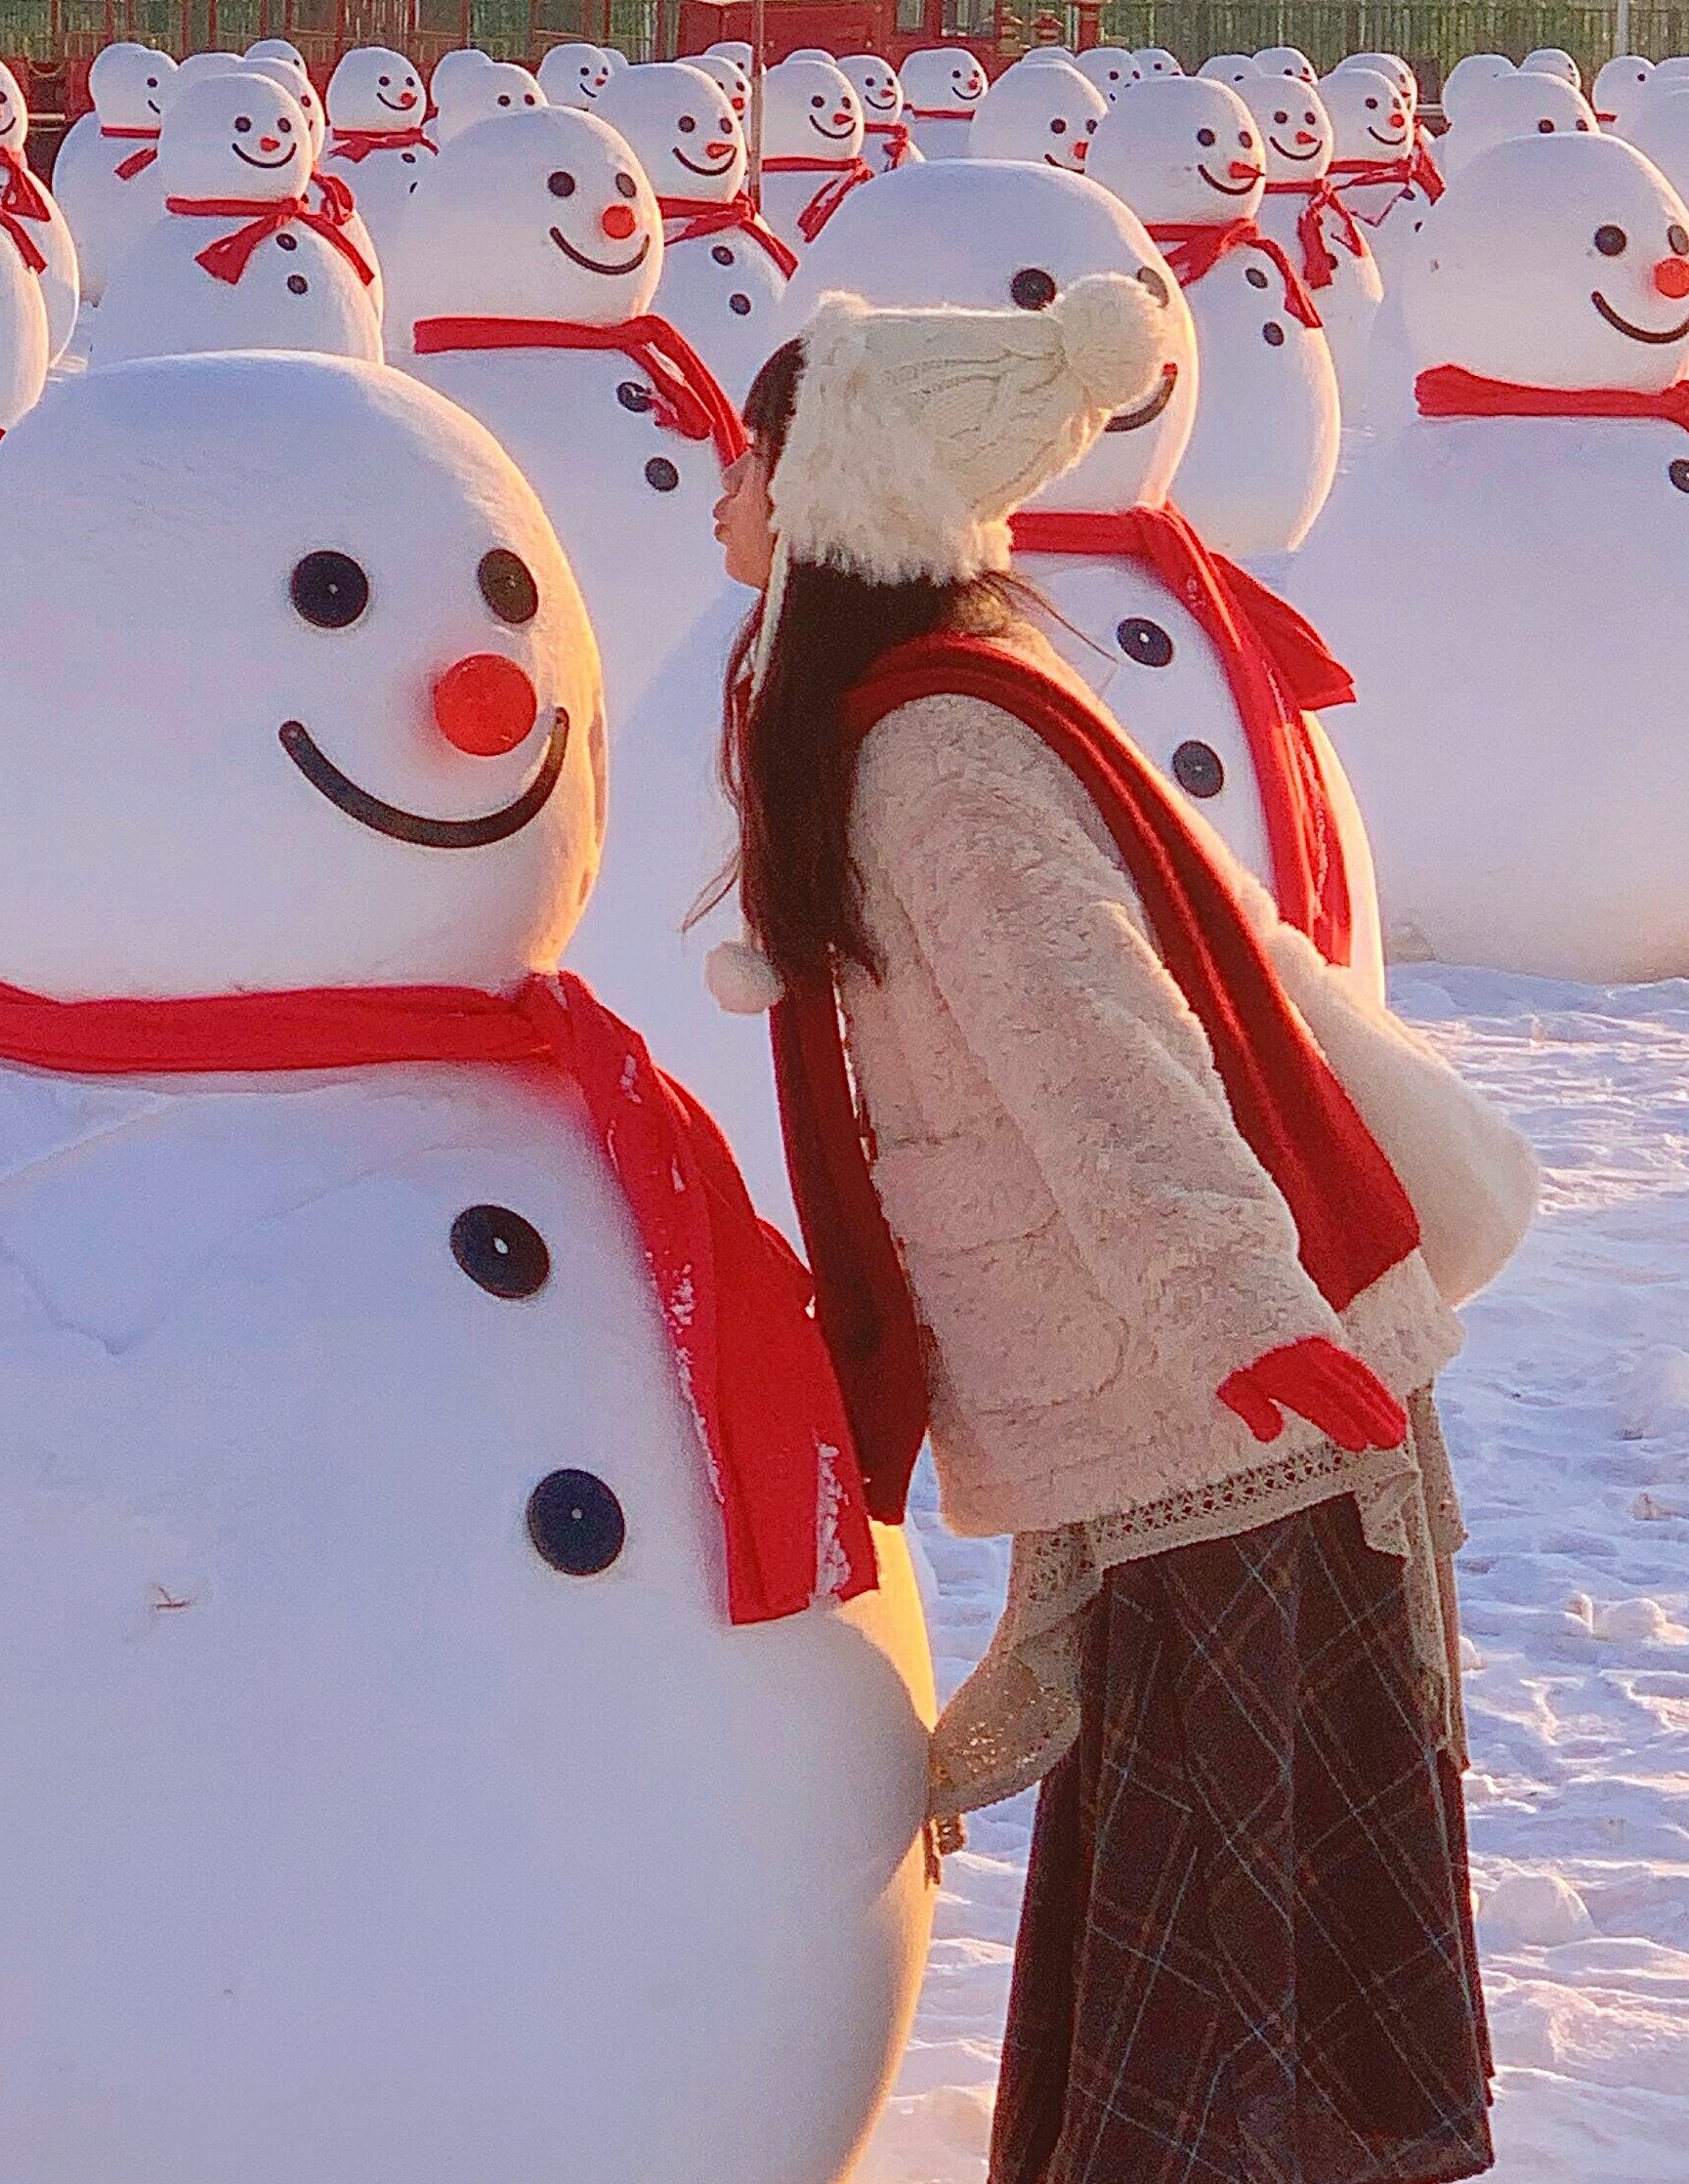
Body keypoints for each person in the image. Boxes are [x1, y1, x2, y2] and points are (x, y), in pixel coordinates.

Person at [709, 279, 1537, 2184]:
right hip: (1176, 1390)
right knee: (1188, 1897)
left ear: (839, 480)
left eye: (747, 461)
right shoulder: (900, 715)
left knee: (1233, 1938)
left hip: (1235, 1396)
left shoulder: (939, 760)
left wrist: (1244, 1317)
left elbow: (1108, 1070)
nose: (720, 499)